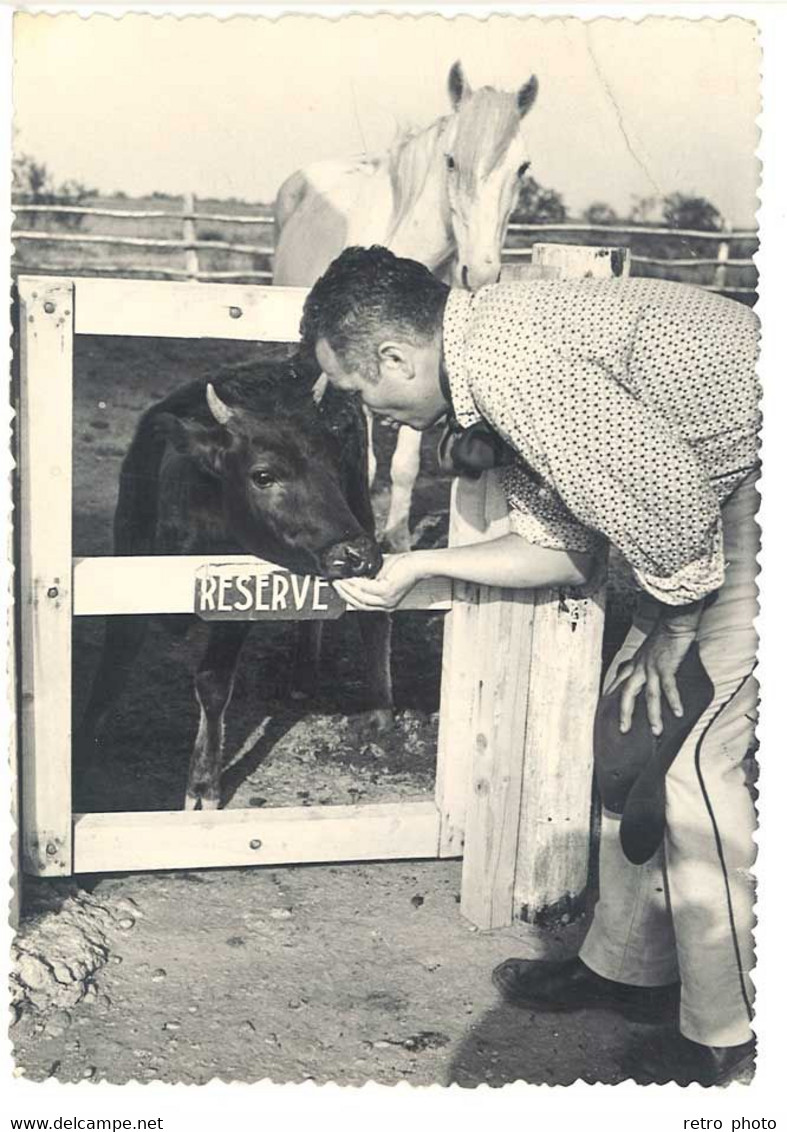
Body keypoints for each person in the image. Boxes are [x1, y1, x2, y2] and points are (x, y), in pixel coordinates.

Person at [299, 245, 760, 1086]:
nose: (375, 413)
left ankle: (726, 1029)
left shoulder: (515, 367)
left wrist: (675, 627)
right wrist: (419, 567)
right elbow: (561, 550)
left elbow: (671, 502)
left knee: (692, 756)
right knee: (632, 730)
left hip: (747, 487)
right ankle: (625, 969)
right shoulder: (491, 365)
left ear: (397, 358)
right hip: (706, 503)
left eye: (365, 392)